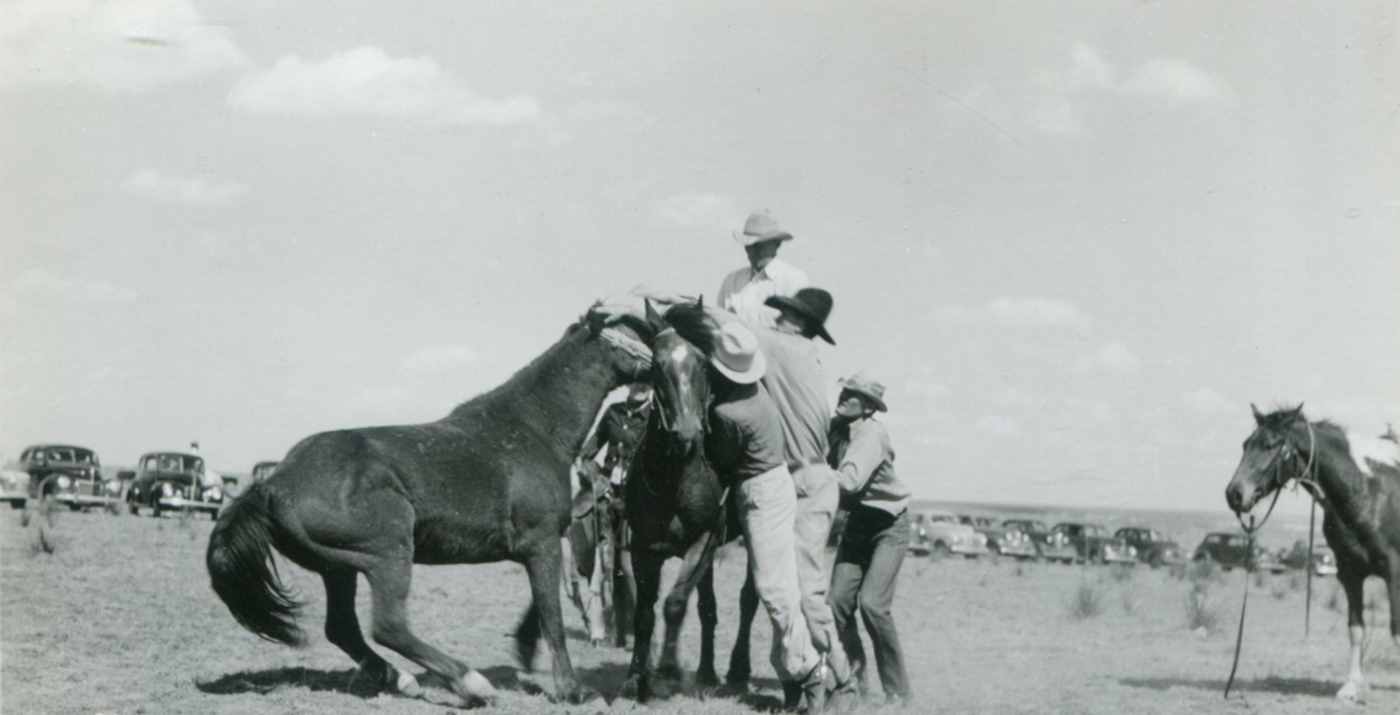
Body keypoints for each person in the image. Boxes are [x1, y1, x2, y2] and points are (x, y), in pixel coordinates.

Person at [712, 288, 856, 709]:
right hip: (804, 477)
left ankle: (843, 680)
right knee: (785, 587)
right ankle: (801, 683)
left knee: (805, 591)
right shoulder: (803, 353)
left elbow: (724, 325)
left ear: (800, 324)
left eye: (787, 313)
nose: (778, 318)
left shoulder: (780, 346)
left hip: (806, 480)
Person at [826, 372, 912, 705]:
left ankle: (898, 693)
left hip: (889, 525)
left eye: (854, 395)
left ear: (868, 408)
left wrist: (807, 473)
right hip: (859, 523)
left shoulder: (871, 435)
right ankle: (855, 682)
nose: (845, 396)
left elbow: (848, 482)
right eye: (845, 390)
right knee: (836, 604)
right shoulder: (837, 426)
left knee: (873, 606)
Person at [575, 382, 651, 646]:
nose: (640, 387)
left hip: (638, 503)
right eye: (637, 382)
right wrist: (596, 480)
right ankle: (610, 631)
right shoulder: (613, 412)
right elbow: (586, 454)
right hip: (607, 499)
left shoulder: (656, 417)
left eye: (647, 383)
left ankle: (638, 633)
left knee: (629, 567)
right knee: (604, 566)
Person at [717, 210, 809, 328]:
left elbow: (799, 335)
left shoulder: (794, 280)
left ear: (777, 244)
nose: (754, 251)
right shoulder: (731, 281)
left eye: (760, 245)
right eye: (749, 245)